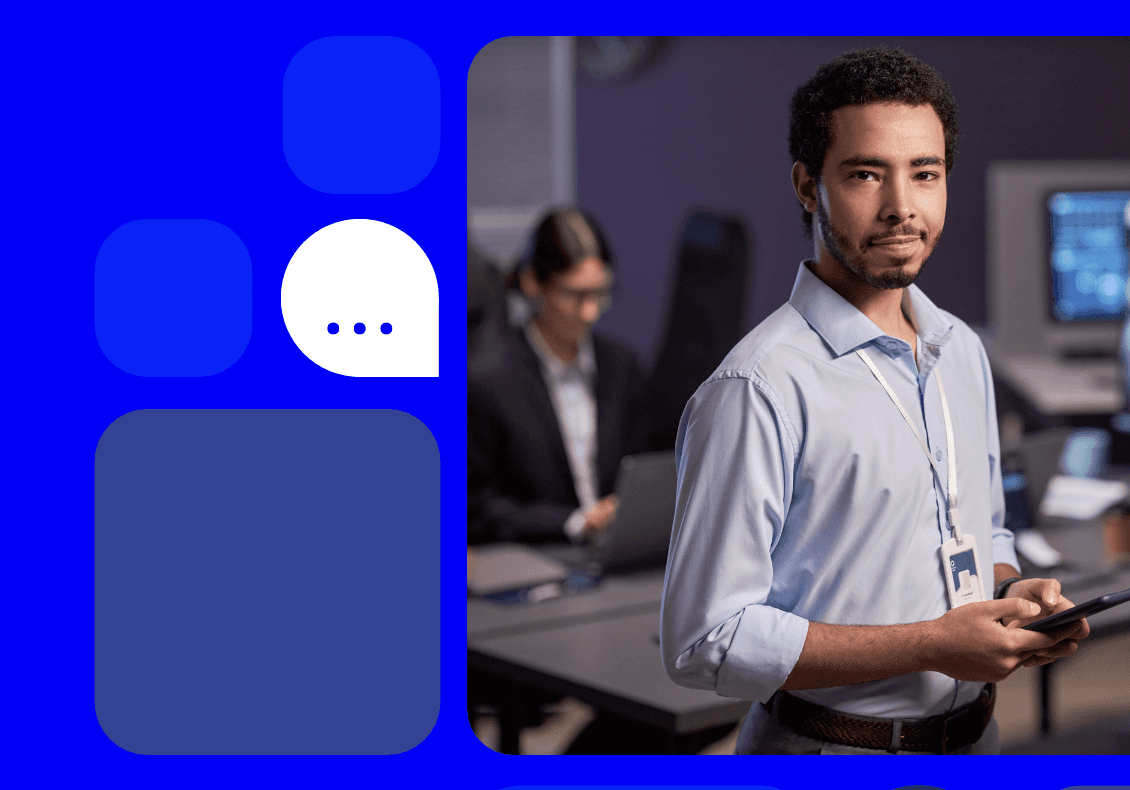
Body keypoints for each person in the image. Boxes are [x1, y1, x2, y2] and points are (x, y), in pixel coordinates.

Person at [659, 47, 1090, 755]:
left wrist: (1014, 593)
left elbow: (983, 531)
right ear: (807, 187)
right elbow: (708, 639)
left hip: (975, 740)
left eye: (925, 173)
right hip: (833, 750)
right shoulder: (758, 387)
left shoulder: (961, 349)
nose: (902, 207)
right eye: (865, 174)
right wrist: (930, 644)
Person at [468, 209, 649, 545]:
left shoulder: (622, 367)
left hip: (618, 557)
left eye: (600, 293)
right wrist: (573, 522)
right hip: (534, 558)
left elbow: (646, 469)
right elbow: (475, 509)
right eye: (575, 295)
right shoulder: (487, 381)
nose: (590, 312)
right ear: (532, 283)